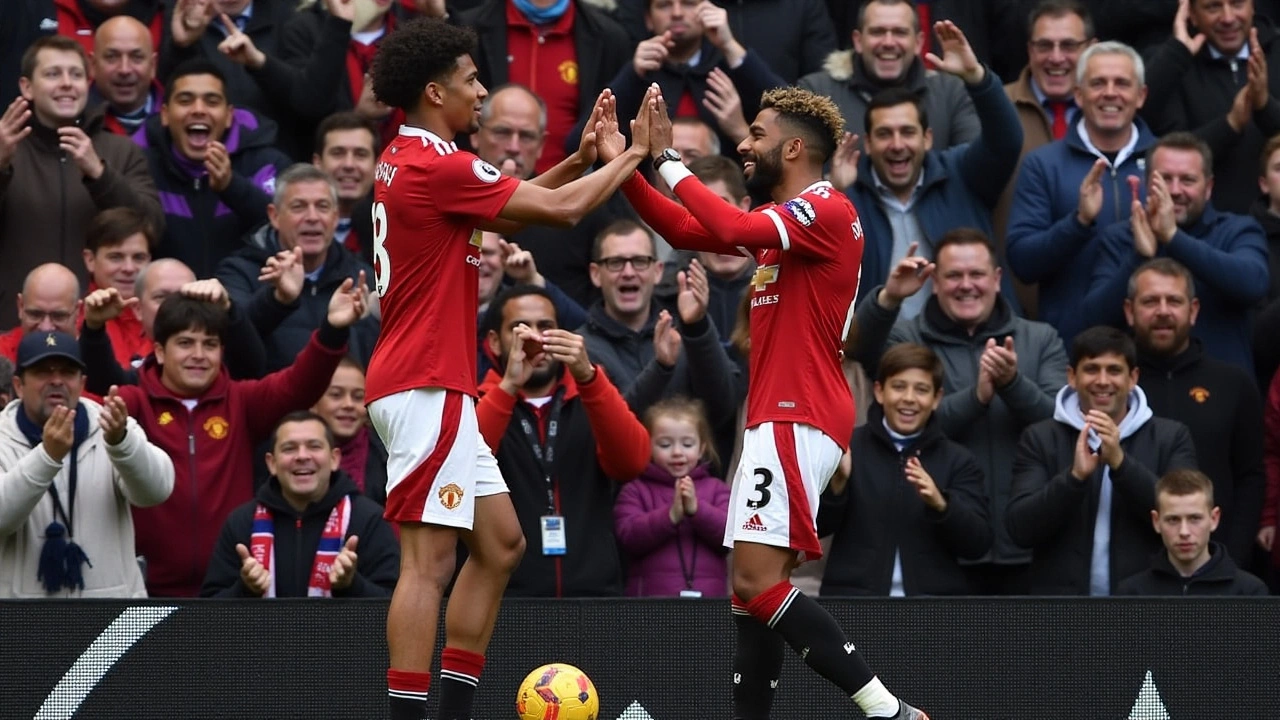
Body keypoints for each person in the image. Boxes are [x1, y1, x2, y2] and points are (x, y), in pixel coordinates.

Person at [599, 52, 929, 720]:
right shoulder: (791, 223)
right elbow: (688, 228)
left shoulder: (825, 207)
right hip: (780, 416)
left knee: (753, 582)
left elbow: (723, 226)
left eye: (756, 133)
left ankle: (889, 712)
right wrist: (626, 161)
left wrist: (665, 159)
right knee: (750, 594)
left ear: (795, 146)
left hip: (797, 413)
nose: (744, 144)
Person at [364, 17, 657, 720]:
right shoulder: (442, 165)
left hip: (429, 383)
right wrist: (635, 156)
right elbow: (557, 211)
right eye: (471, 80)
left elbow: (513, 212)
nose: (482, 90)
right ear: (436, 91)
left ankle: (455, 710)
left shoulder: (412, 159)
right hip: (424, 383)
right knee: (428, 565)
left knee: (500, 546)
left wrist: (585, 157)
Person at [113, 280, 365, 598]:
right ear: (160, 351)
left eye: (210, 344)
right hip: (145, 591)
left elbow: (299, 384)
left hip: (234, 588)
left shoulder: (241, 401)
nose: (199, 355)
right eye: (186, 343)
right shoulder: (133, 403)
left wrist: (332, 330)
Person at [853, 230, 1067, 594]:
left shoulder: (1040, 338)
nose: (966, 285)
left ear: (997, 279)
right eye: (953, 276)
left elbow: (1061, 427)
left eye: (977, 274)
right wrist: (888, 298)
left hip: (1030, 548)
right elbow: (861, 351)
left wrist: (1012, 383)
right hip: (938, 545)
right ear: (934, 283)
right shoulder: (908, 337)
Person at [837, 20, 1025, 318]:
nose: (897, 145)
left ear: (927, 138)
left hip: (970, 341)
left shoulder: (961, 173)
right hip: (884, 353)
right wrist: (834, 194)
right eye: (885, 134)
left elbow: (1007, 141)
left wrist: (977, 78)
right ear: (868, 144)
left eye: (908, 132)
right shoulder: (847, 193)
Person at [477, 285, 650, 597]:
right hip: (503, 599)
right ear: (494, 342)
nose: (535, 339)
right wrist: (508, 387)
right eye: (521, 329)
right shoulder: (480, 404)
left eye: (546, 327)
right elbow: (462, 471)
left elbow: (632, 462)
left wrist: (589, 377)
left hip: (595, 595)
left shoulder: (592, 396)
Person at [1006, 326, 1199, 595]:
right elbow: (1020, 529)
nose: (1103, 380)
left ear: (1133, 378)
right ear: (1072, 376)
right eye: (1092, 369)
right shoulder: (1040, 438)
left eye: (1114, 370)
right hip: (1062, 609)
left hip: (1147, 601)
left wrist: (1120, 464)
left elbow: (1185, 518)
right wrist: (1073, 479)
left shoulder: (1171, 437)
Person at [0, 330, 173, 598]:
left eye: (67, 372)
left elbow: (157, 491)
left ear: (82, 383)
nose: (56, 380)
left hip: (113, 619)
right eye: (43, 371)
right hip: (22, 624)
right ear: (18, 385)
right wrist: (47, 457)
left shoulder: (113, 426)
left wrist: (121, 444)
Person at [1005, 41, 1157, 344]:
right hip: (1072, 345)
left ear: (1140, 96)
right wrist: (1078, 223)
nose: (1110, 93)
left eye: (1122, 83)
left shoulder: (1164, 162)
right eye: (1098, 83)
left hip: (1152, 346)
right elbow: (1022, 262)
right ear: (1078, 94)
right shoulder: (1043, 164)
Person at [0, 35, 163, 313]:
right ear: (26, 87)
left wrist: (100, 175)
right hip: (16, 322)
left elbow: (153, 228)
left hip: (101, 324)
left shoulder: (121, 150)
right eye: (53, 74)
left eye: (76, 74)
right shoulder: (5, 145)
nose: (66, 82)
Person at [1082, 132, 1269, 374]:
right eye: (1165, 179)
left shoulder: (1238, 229)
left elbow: (1252, 284)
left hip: (1222, 390)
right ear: (1147, 182)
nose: (1175, 190)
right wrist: (1138, 258)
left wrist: (1173, 238)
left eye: (1188, 180)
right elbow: (1094, 318)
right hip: (1141, 390)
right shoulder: (1121, 237)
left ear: (1209, 187)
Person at [1120, 259, 1265, 566]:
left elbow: (1251, 477)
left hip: (1216, 566)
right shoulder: (1113, 387)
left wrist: (1233, 560)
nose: (1162, 311)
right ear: (1130, 311)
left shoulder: (1233, 383)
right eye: (1150, 301)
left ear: (1194, 310)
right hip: (1130, 570)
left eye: (1174, 300)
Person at [817, 343, 991, 596]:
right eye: (899, 387)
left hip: (931, 609)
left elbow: (978, 543)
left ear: (936, 399)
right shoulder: (846, 448)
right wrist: (837, 487)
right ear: (879, 391)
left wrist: (941, 504)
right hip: (854, 602)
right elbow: (814, 528)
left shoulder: (958, 460)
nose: (909, 398)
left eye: (921, 390)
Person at [201, 410, 400, 598]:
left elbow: (393, 605)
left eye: (314, 446)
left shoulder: (369, 519)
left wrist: (352, 585)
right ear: (271, 463)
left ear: (334, 459)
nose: (302, 456)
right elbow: (207, 615)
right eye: (289, 448)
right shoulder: (241, 522)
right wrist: (244, 589)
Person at [135, 59, 292, 278]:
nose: (199, 110)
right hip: (168, 306)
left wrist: (231, 186)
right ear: (164, 114)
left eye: (211, 101)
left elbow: (287, 230)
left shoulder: (267, 164)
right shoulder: (141, 166)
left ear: (229, 116)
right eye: (185, 100)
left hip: (245, 303)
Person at [216, 163, 381, 372]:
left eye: (322, 206)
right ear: (274, 216)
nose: (312, 217)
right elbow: (229, 339)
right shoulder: (239, 272)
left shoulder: (363, 278)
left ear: (335, 217)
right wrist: (276, 300)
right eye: (298, 207)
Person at [995, 0, 1096, 316]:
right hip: (1011, 304)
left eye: (1068, 45)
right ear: (1029, 50)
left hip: (1094, 303)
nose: (1056, 57)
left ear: (1091, 48)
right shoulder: (996, 108)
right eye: (1044, 46)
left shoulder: (1113, 114)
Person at [1141, 0, 1280, 214]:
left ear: (1253, 6)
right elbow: (1167, 152)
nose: (1227, 18)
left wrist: (1264, 106)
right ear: (1191, 14)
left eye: (1237, 4)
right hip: (1202, 229)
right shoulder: (1171, 64)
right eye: (1213, 7)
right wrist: (1229, 126)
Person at [798, 0, 980, 147]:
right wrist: (835, 184)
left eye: (900, 32)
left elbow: (984, 166)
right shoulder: (817, 94)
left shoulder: (950, 94)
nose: (888, 42)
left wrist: (979, 78)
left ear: (918, 43)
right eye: (877, 32)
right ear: (858, 41)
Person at [614, 396, 732, 598]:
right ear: (648, 446)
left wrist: (697, 510)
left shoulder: (717, 489)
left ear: (702, 448)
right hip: (651, 606)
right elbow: (628, 537)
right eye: (665, 445)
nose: (677, 452)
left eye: (687, 444)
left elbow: (730, 537)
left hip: (709, 603)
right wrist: (670, 516)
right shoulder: (635, 490)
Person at [78, 263, 268, 387]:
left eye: (184, 296)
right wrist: (94, 327)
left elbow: (251, 367)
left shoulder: (218, 372)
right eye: (161, 297)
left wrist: (229, 308)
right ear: (137, 309)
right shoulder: (142, 381)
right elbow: (102, 382)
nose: (173, 306)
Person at [1116, 468, 1269, 595]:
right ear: (1156, 521)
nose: (1184, 532)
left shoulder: (1249, 592)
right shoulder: (1133, 593)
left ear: (1214, 519)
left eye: (1194, 518)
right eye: (1173, 520)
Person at [79, 207, 155, 368]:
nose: (128, 268)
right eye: (116, 257)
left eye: (138, 258)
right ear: (90, 260)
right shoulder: (68, 320)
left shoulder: (165, 319)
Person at [311, 357, 388, 505]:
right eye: (336, 395)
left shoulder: (387, 457)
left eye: (358, 397)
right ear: (314, 401)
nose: (348, 404)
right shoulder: (291, 452)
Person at [90, 16, 163, 136]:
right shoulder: (72, 118)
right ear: (93, 65)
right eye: (112, 57)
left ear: (153, 66)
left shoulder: (175, 120)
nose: (125, 70)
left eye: (136, 57)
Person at [0, 264, 81, 364]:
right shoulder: (1, 354)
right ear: (20, 306)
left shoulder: (95, 355)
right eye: (35, 315)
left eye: (58, 316)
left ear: (77, 311)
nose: (46, 328)